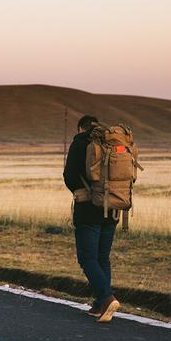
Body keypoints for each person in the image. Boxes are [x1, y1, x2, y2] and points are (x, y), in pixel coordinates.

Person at [63, 115, 120, 323]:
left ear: (81, 128)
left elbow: (69, 175)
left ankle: (106, 298)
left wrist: (79, 191)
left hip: (88, 209)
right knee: (102, 257)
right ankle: (99, 306)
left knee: (87, 259)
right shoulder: (111, 141)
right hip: (112, 208)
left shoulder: (80, 143)